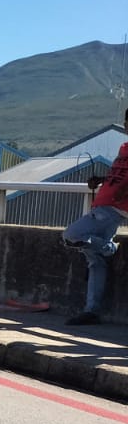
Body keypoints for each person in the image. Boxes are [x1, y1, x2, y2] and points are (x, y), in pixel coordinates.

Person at [61, 119, 128, 324]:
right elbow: (119, 175)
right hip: (104, 204)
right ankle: (92, 311)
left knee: (71, 235)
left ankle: (110, 248)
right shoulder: (124, 148)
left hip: (112, 208)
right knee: (95, 262)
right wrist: (101, 180)